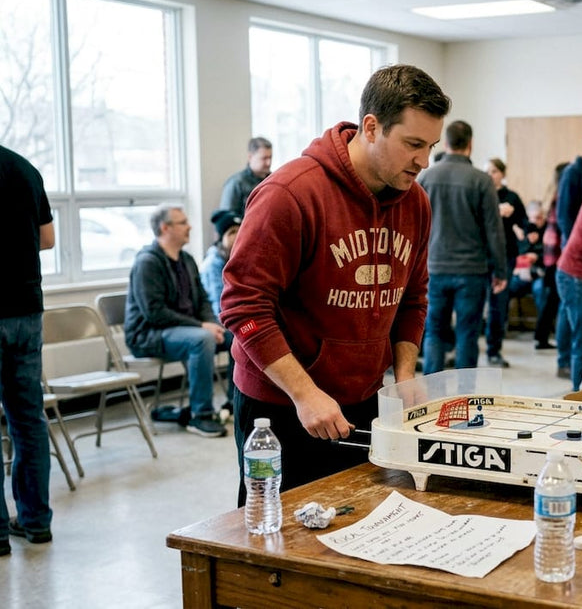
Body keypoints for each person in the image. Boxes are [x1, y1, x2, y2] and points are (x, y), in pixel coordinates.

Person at [220, 64, 450, 500]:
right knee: (281, 539)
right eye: (413, 144)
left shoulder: (416, 202)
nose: (423, 161)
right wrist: (305, 394)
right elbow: (242, 306)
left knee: (355, 518)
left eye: (431, 146)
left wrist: (404, 376)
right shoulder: (290, 194)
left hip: (361, 399)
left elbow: (413, 298)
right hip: (282, 404)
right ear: (371, 127)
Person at [125, 203, 229, 438]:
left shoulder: (187, 260)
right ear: (165, 228)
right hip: (149, 335)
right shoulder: (147, 263)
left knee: (235, 336)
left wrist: (214, 324)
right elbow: (155, 313)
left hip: (186, 331)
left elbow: (202, 300)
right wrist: (202, 326)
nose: (189, 226)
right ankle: (200, 415)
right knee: (201, 339)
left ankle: (232, 404)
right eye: (182, 223)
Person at [417, 121, 507, 375]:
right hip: (471, 272)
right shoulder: (481, 180)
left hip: (433, 269)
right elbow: (494, 230)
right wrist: (500, 271)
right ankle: (464, 399)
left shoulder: (426, 177)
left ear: (445, 143)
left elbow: (414, 225)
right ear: (470, 144)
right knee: (468, 333)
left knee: (434, 330)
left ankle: (432, 396)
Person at [0, 145, 56, 554]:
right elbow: (47, 239)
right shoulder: (24, 168)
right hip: (26, 309)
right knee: (28, 418)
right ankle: (36, 522)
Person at [555, 126, 582, 379]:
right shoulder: (573, 172)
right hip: (575, 264)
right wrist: (571, 244)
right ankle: (576, 388)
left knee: (579, 327)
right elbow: (564, 216)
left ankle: (575, 375)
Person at [484, 157, 528, 367]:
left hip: (505, 256)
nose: (490, 175)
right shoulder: (481, 193)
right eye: (487, 171)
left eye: (494, 171)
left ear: (502, 173)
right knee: (477, 305)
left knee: (498, 305)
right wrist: (496, 211)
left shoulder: (512, 197)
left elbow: (525, 224)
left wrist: (514, 221)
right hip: (481, 257)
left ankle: (494, 350)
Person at [200, 208, 242, 416]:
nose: (237, 236)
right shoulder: (213, 265)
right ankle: (234, 400)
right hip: (216, 323)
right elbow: (220, 307)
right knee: (242, 337)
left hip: (232, 320)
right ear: (221, 237)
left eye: (241, 229)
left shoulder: (241, 257)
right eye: (232, 232)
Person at [535, 162, 569, 353]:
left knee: (551, 300)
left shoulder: (553, 195)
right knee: (553, 301)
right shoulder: (560, 197)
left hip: (550, 257)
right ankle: (541, 338)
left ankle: (541, 337)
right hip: (556, 258)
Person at [219, 137, 272, 215]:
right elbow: (226, 220)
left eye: (270, 157)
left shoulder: (273, 180)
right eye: (264, 158)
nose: (269, 163)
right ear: (250, 157)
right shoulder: (236, 183)